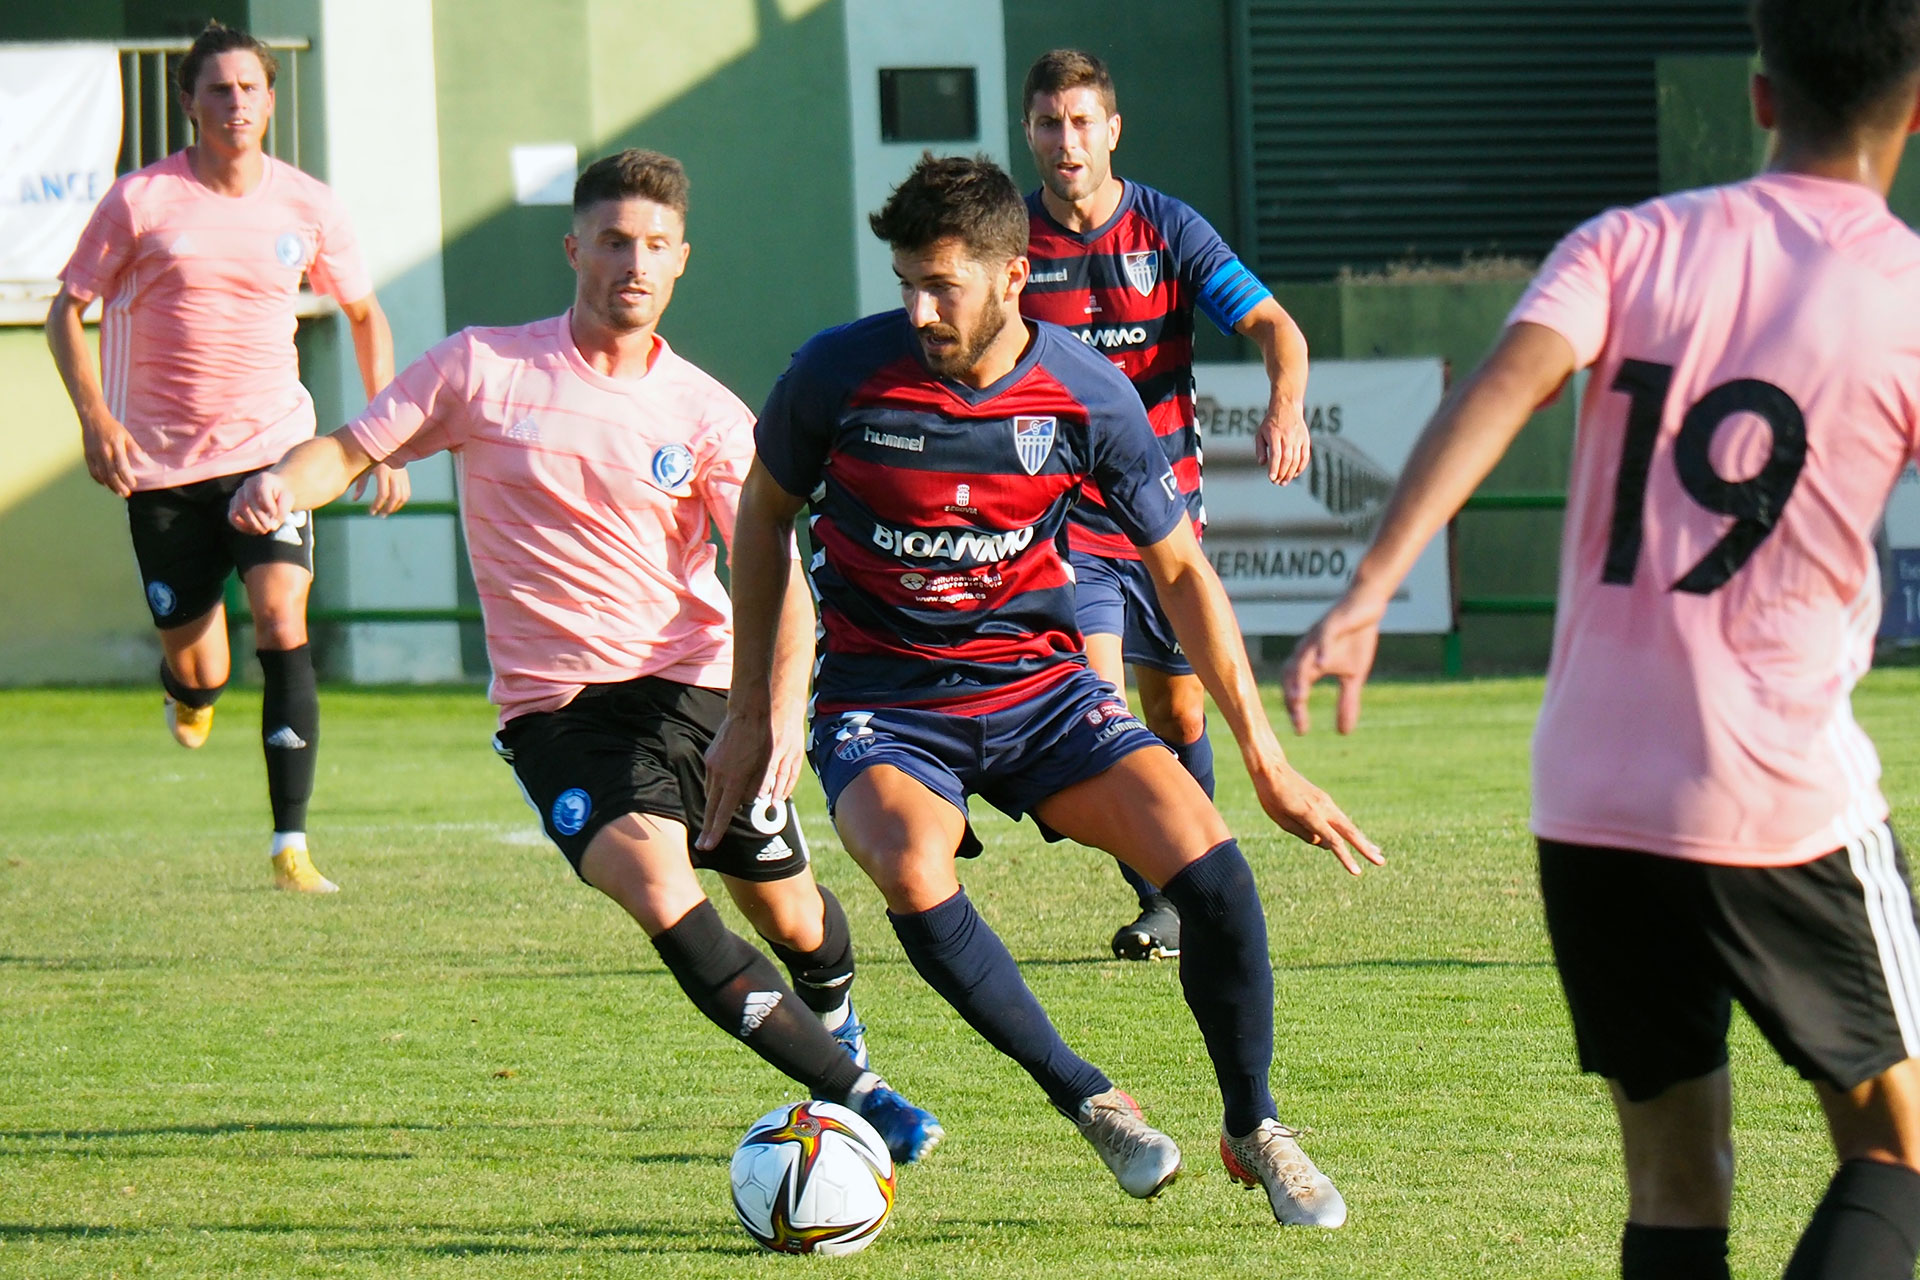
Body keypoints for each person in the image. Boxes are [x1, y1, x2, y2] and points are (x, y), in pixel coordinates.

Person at [1281, 2, 1920, 1274]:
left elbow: (1504, 386)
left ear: (1759, 97)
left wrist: (1369, 587)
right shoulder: (1902, 290)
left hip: (1589, 789)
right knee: (1898, 1155)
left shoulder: (1632, 240)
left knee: (1677, 1183)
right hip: (1775, 791)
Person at [702, 153, 1379, 1227]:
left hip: (1041, 686)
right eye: (906, 282)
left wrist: (1269, 760)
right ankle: (1091, 1098)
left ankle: (1253, 1125)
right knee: (910, 861)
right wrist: (748, 712)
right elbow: (761, 513)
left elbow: (1183, 571)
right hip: (889, 696)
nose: (920, 309)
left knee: (1213, 869)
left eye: (944, 285)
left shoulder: (1086, 391)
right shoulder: (836, 374)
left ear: (1013, 275)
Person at [227, 149, 941, 1163]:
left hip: (697, 693)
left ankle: (835, 1008)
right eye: (613, 241)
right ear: (575, 249)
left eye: (654, 245)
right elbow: (347, 447)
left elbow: (773, 577)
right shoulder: (482, 368)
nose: (632, 263)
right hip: (558, 711)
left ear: (681, 260)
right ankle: (865, 1093)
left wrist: (778, 712)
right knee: (659, 890)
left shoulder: (707, 415)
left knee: (789, 908)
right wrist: (277, 485)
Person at [45, 20, 407, 893]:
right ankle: (189, 690)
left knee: (284, 621)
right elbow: (67, 307)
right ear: (189, 103)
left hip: (272, 451)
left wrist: (381, 437)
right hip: (162, 468)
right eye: (218, 89)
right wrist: (96, 419)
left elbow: (364, 313)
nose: (236, 103)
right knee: (201, 662)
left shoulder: (309, 205)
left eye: (250, 88)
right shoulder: (141, 202)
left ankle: (291, 843)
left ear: (271, 100)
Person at [1018, 49, 1314, 960]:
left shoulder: (1167, 229)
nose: (1065, 141)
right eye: (1047, 124)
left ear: (1112, 130)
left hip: (1163, 521)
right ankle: (1166, 894)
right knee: (1101, 713)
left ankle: (1187, 884)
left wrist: (1284, 402)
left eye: (1080, 122)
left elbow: (1273, 325)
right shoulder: (1011, 247)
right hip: (1064, 526)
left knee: (1178, 715)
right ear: (1029, 134)